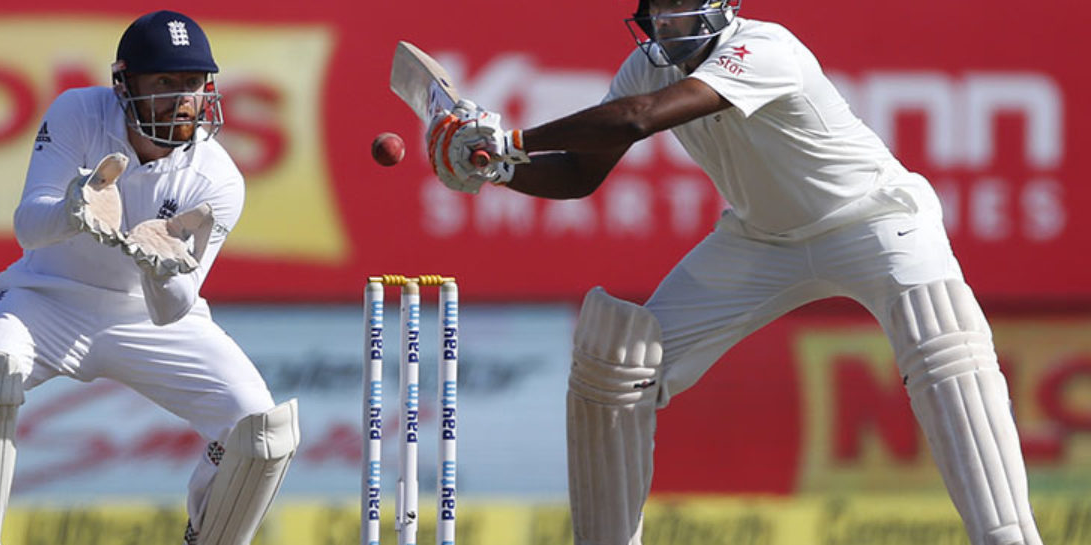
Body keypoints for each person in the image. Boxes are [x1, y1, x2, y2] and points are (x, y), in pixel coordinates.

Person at [425, 1, 1044, 544]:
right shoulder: (647, 65)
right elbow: (580, 174)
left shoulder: (765, 46)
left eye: (682, 5)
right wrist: (496, 166)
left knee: (944, 351)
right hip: (760, 241)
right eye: (660, 8)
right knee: (618, 360)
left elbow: (640, 117)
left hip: (875, 223)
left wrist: (510, 138)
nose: (669, 21)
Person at [0, 10, 299, 545]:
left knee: (261, 431)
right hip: (47, 301)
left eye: (194, 84)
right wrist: (74, 209)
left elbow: (173, 310)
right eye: (165, 82)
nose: (183, 98)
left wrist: (160, 266)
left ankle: (208, 538)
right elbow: (28, 227)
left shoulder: (218, 178)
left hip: (146, 319)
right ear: (124, 85)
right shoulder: (79, 112)